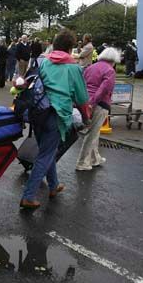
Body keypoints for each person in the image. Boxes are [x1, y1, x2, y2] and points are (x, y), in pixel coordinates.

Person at [20, 29, 89, 210]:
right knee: (45, 155)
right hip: (56, 115)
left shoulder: (43, 62)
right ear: (70, 47)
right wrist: (86, 118)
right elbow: (82, 99)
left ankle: (54, 185)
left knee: (46, 150)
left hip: (37, 111)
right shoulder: (74, 68)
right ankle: (28, 196)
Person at [75, 48, 120, 171]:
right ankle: (82, 162)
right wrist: (93, 103)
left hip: (84, 101)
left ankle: (95, 158)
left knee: (95, 131)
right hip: (100, 104)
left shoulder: (91, 67)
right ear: (114, 60)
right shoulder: (110, 71)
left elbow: (82, 83)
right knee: (92, 133)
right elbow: (104, 89)